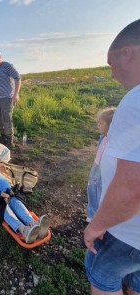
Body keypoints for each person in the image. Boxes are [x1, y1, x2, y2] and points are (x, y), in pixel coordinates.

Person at [84, 19, 140, 295]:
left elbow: (132, 188)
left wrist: (97, 224)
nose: (111, 74)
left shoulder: (136, 99)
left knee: (103, 276)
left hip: (128, 233)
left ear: (127, 53)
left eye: (110, 64)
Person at [86, 107, 116, 222]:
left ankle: (99, 216)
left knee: (100, 190)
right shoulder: (103, 138)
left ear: (110, 125)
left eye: (101, 123)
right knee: (91, 188)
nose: (98, 125)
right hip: (96, 166)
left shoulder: (113, 142)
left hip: (105, 170)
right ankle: (91, 213)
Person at [0, 50, 21, 148]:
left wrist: (16, 94)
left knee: (7, 120)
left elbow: (18, 78)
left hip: (7, 98)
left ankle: (10, 140)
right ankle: (4, 137)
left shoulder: (7, 66)